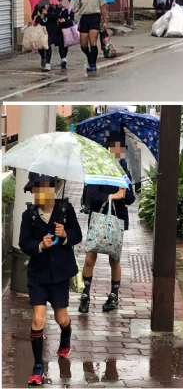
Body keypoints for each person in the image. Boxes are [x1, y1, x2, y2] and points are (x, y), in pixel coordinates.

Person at [19, 172, 83, 385]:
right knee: (38, 319)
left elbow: (77, 235)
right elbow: (24, 242)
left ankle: (66, 333)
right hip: (38, 276)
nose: (38, 193)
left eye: (42, 188)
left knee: (60, 318)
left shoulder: (65, 210)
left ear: (53, 189)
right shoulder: (29, 215)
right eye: (35, 189)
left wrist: (65, 235)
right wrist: (39, 245)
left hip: (59, 276)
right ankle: (38, 365)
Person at [79, 130, 135, 314]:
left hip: (117, 221)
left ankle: (113, 296)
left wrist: (124, 194)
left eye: (120, 149)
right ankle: (85, 295)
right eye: (114, 148)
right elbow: (93, 198)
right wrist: (114, 195)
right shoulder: (96, 170)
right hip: (98, 219)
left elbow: (131, 199)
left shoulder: (123, 173)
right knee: (90, 258)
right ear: (107, 150)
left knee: (114, 259)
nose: (117, 152)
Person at [73, 0, 108, 72]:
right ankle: (89, 57)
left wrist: (105, 21)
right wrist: (72, 11)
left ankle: (92, 64)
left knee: (93, 41)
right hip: (84, 18)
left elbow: (103, 9)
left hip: (95, 18)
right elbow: (76, 8)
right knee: (83, 45)